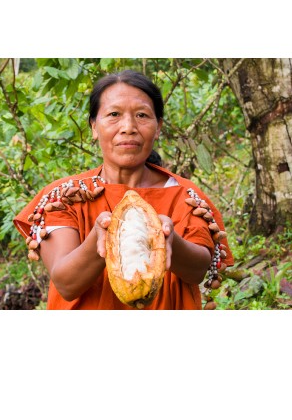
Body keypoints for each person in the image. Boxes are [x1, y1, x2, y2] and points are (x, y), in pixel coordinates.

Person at [13, 70, 234, 310]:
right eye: (114, 115)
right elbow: (66, 284)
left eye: (141, 115)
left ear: (158, 127)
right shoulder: (63, 197)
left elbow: (198, 272)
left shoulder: (185, 195)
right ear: (94, 127)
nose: (128, 127)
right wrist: (99, 240)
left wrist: (171, 242)